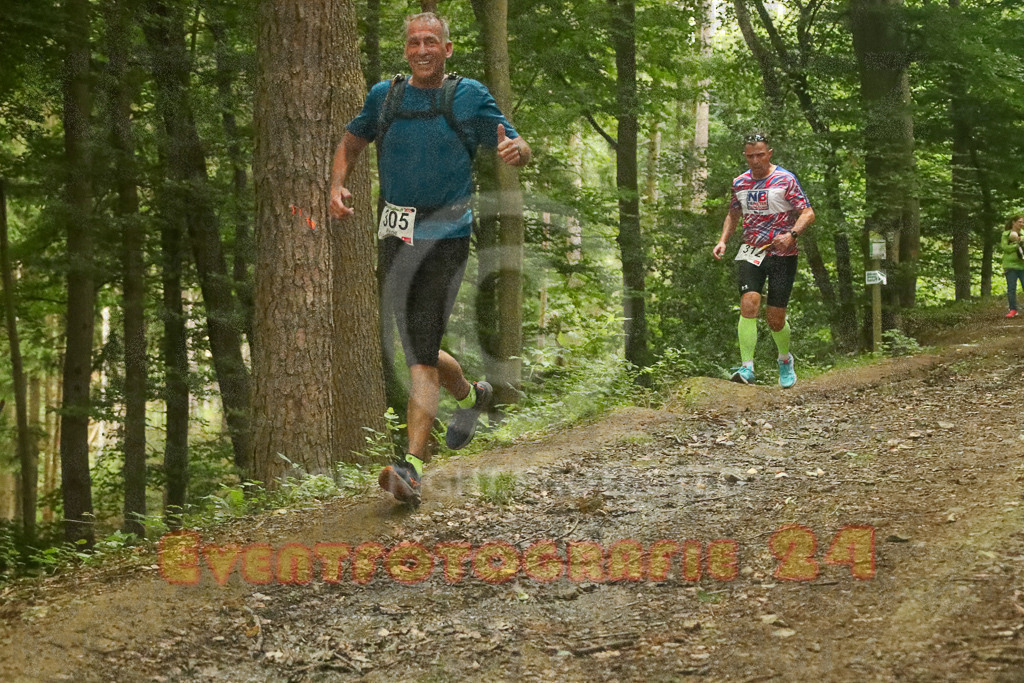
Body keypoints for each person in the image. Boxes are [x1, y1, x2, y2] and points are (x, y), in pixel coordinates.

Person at [329, 12, 531, 505]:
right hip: (396, 236)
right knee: (418, 342)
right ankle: (470, 396)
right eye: (414, 42)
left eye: (431, 42)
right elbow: (352, 141)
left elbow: (517, 142)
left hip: (447, 235)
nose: (422, 50)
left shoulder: (469, 95)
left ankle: (412, 467)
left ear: (447, 48)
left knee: (419, 353)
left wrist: (517, 151)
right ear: (407, 50)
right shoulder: (385, 96)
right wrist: (336, 183)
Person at [712, 133, 815, 388]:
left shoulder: (785, 179)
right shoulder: (740, 183)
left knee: (775, 319)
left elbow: (808, 212)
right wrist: (723, 240)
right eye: (750, 156)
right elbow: (733, 214)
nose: (755, 160)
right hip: (751, 251)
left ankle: (784, 359)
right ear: (745, 156)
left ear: (769, 153)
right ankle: (747, 368)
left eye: (760, 155)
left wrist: (792, 235)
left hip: (783, 253)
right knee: (749, 303)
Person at [1001, 215, 1024, 318]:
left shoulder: (1023, 234)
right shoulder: (1006, 234)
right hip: (1010, 266)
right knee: (1011, 289)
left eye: (1022, 222)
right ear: (1013, 222)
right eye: (1019, 222)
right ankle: (1013, 309)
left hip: (1022, 265)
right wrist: (1016, 244)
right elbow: (1005, 248)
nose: (1021, 224)